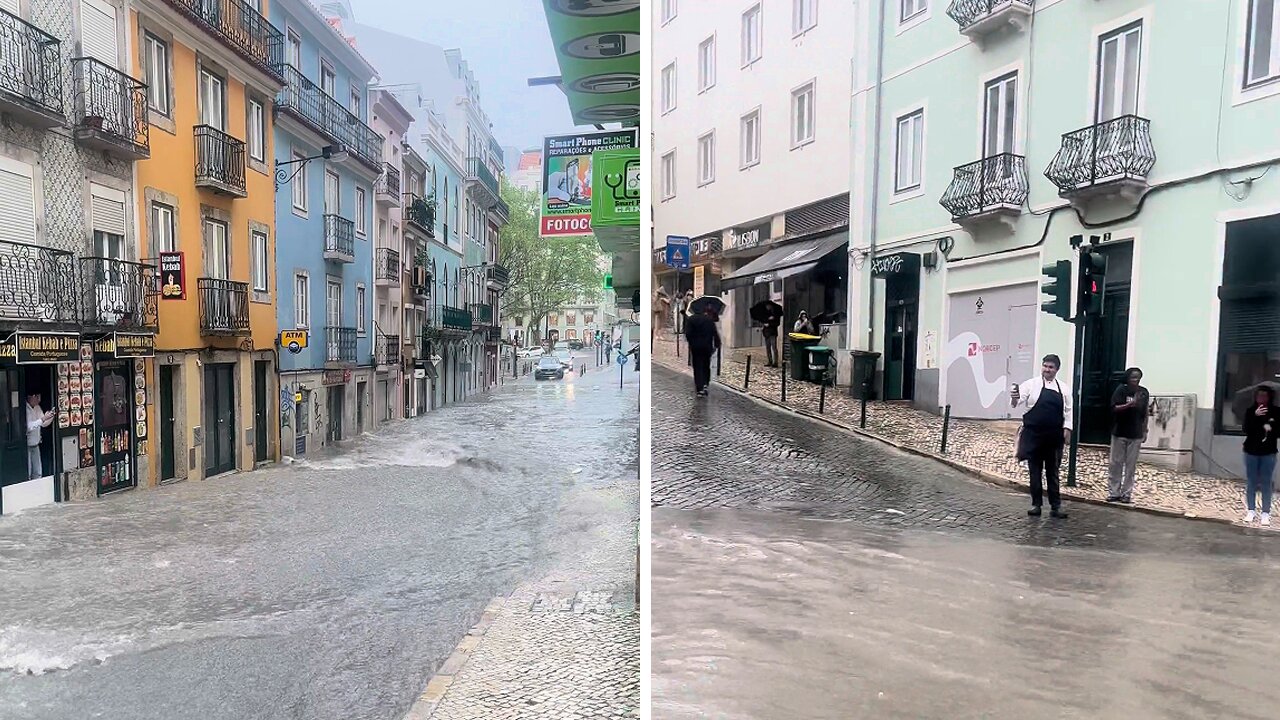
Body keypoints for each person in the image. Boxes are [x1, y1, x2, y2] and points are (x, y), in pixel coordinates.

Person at [1011, 355, 1072, 519]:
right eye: (1045, 366)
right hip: (1034, 434)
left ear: (1057, 369)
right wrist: (1014, 397)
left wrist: (1067, 429)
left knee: (1053, 472)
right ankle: (1036, 504)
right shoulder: (1031, 385)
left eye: (1051, 367)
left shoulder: (1064, 389)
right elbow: (1018, 400)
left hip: (1053, 436)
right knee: (1035, 471)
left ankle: (1055, 506)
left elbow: (1068, 412)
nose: (1047, 369)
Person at [1107, 367, 1152, 504]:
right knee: (1115, 464)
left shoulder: (1143, 392)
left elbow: (1145, 413)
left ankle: (1127, 493)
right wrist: (1129, 404)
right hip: (1120, 432)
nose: (1136, 380)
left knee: (1131, 466)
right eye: (1133, 377)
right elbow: (1114, 408)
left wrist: (1145, 431)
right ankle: (1114, 492)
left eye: (1138, 377)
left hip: (1135, 433)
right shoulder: (1121, 390)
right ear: (1128, 378)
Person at [1242, 384, 1279, 525]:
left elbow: (1278, 431)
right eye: (1259, 396)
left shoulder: (1276, 412)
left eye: (1264, 396)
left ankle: (1265, 512)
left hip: (1268, 452)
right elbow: (1246, 429)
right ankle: (1251, 510)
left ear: (1269, 397)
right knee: (1251, 481)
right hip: (1251, 451)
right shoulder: (1250, 411)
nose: (1261, 398)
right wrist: (1256, 417)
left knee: (1266, 482)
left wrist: (1271, 427)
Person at [684, 305, 721, 397]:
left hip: (695, 347)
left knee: (697, 367)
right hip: (707, 346)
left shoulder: (691, 319)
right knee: (706, 365)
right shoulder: (709, 320)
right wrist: (717, 344)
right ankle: (705, 384)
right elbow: (714, 333)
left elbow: (687, 333)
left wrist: (691, 342)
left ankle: (699, 388)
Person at [25, 392, 54, 480]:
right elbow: (29, 426)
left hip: (36, 443)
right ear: (32, 397)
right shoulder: (25, 408)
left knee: (38, 472)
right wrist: (43, 419)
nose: (39, 400)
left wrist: (51, 416)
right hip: (27, 445)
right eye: (37, 398)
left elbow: (43, 424)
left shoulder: (37, 407)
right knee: (28, 472)